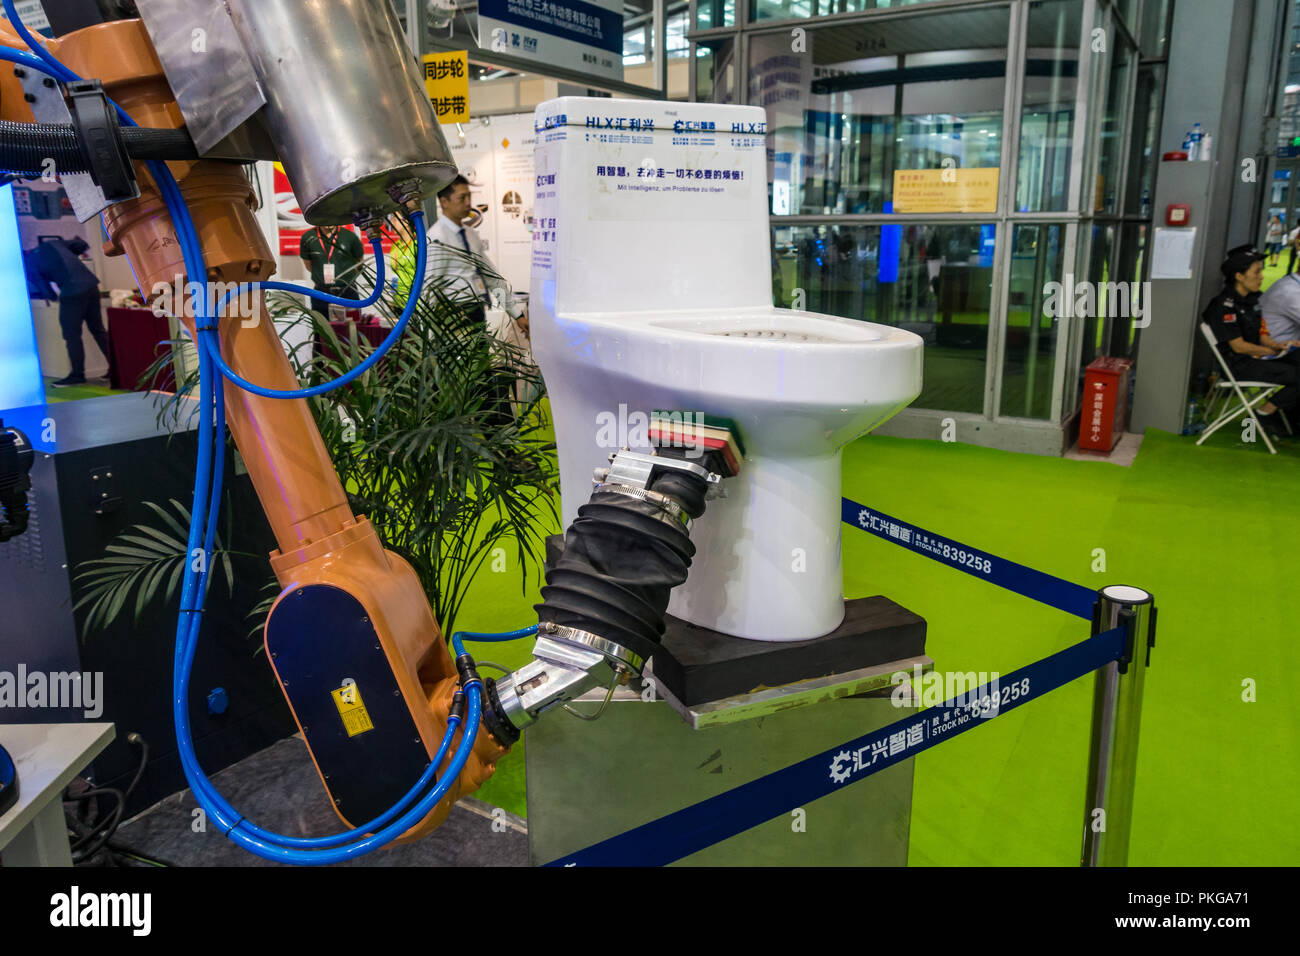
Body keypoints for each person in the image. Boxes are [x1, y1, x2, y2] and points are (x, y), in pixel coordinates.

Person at [424, 174, 530, 424]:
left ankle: (493, 441)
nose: (468, 202)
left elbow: (492, 279)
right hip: (451, 321)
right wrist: (428, 338)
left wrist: (518, 314)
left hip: (474, 316)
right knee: (457, 386)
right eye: (462, 197)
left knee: (480, 380)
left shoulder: (470, 235)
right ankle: (459, 442)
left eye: (469, 196)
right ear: (444, 201)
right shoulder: (437, 237)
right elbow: (429, 289)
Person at [1201, 244, 1300, 439]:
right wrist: (1271, 352)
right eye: (1256, 272)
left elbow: (1261, 333)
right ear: (1239, 276)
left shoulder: (1253, 299)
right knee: (1298, 375)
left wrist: (1277, 345)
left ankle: (1280, 415)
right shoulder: (1223, 306)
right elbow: (1238, 346)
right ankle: (1263, 413)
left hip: (1258, 358)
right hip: (1240, 365)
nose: (1261, 276)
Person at [31, 236, 109, 387]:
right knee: (98, 330)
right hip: (91, 285)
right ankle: (115, 369)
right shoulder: (54, 243)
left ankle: (77, 375)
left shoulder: (29, 263)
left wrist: (52, 297)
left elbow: (44, 288)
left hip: (72, 291)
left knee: (71, 334)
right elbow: (82, 244)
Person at [299, 223, 365, 318]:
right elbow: (308, 265)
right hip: (321, 294)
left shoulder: (349, 237)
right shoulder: (308, 237)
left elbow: (359, 263)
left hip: (347, 293)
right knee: (322, 330)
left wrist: (345, 279)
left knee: (351, 330)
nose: (328, 220)